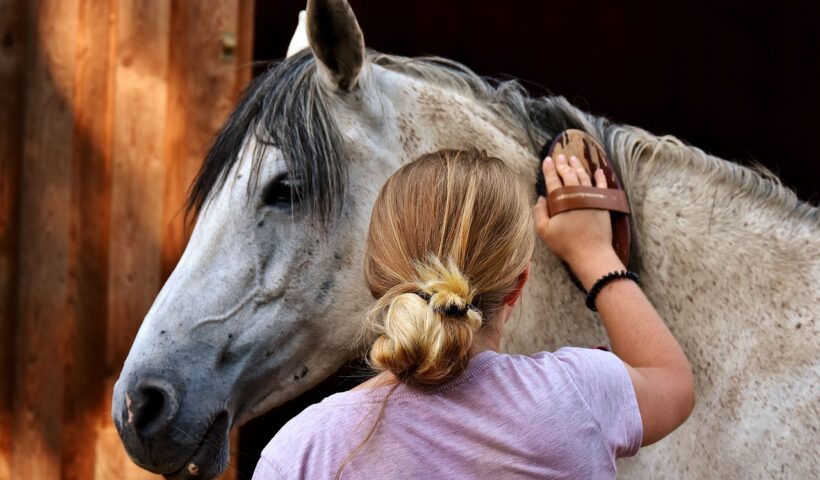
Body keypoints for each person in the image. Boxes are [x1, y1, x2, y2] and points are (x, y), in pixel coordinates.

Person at [252, 149, 695, 479]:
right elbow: (672, 381)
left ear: (375, 279)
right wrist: (595, 253)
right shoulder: (577, 394)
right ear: (519, 284)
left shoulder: (301, 452)